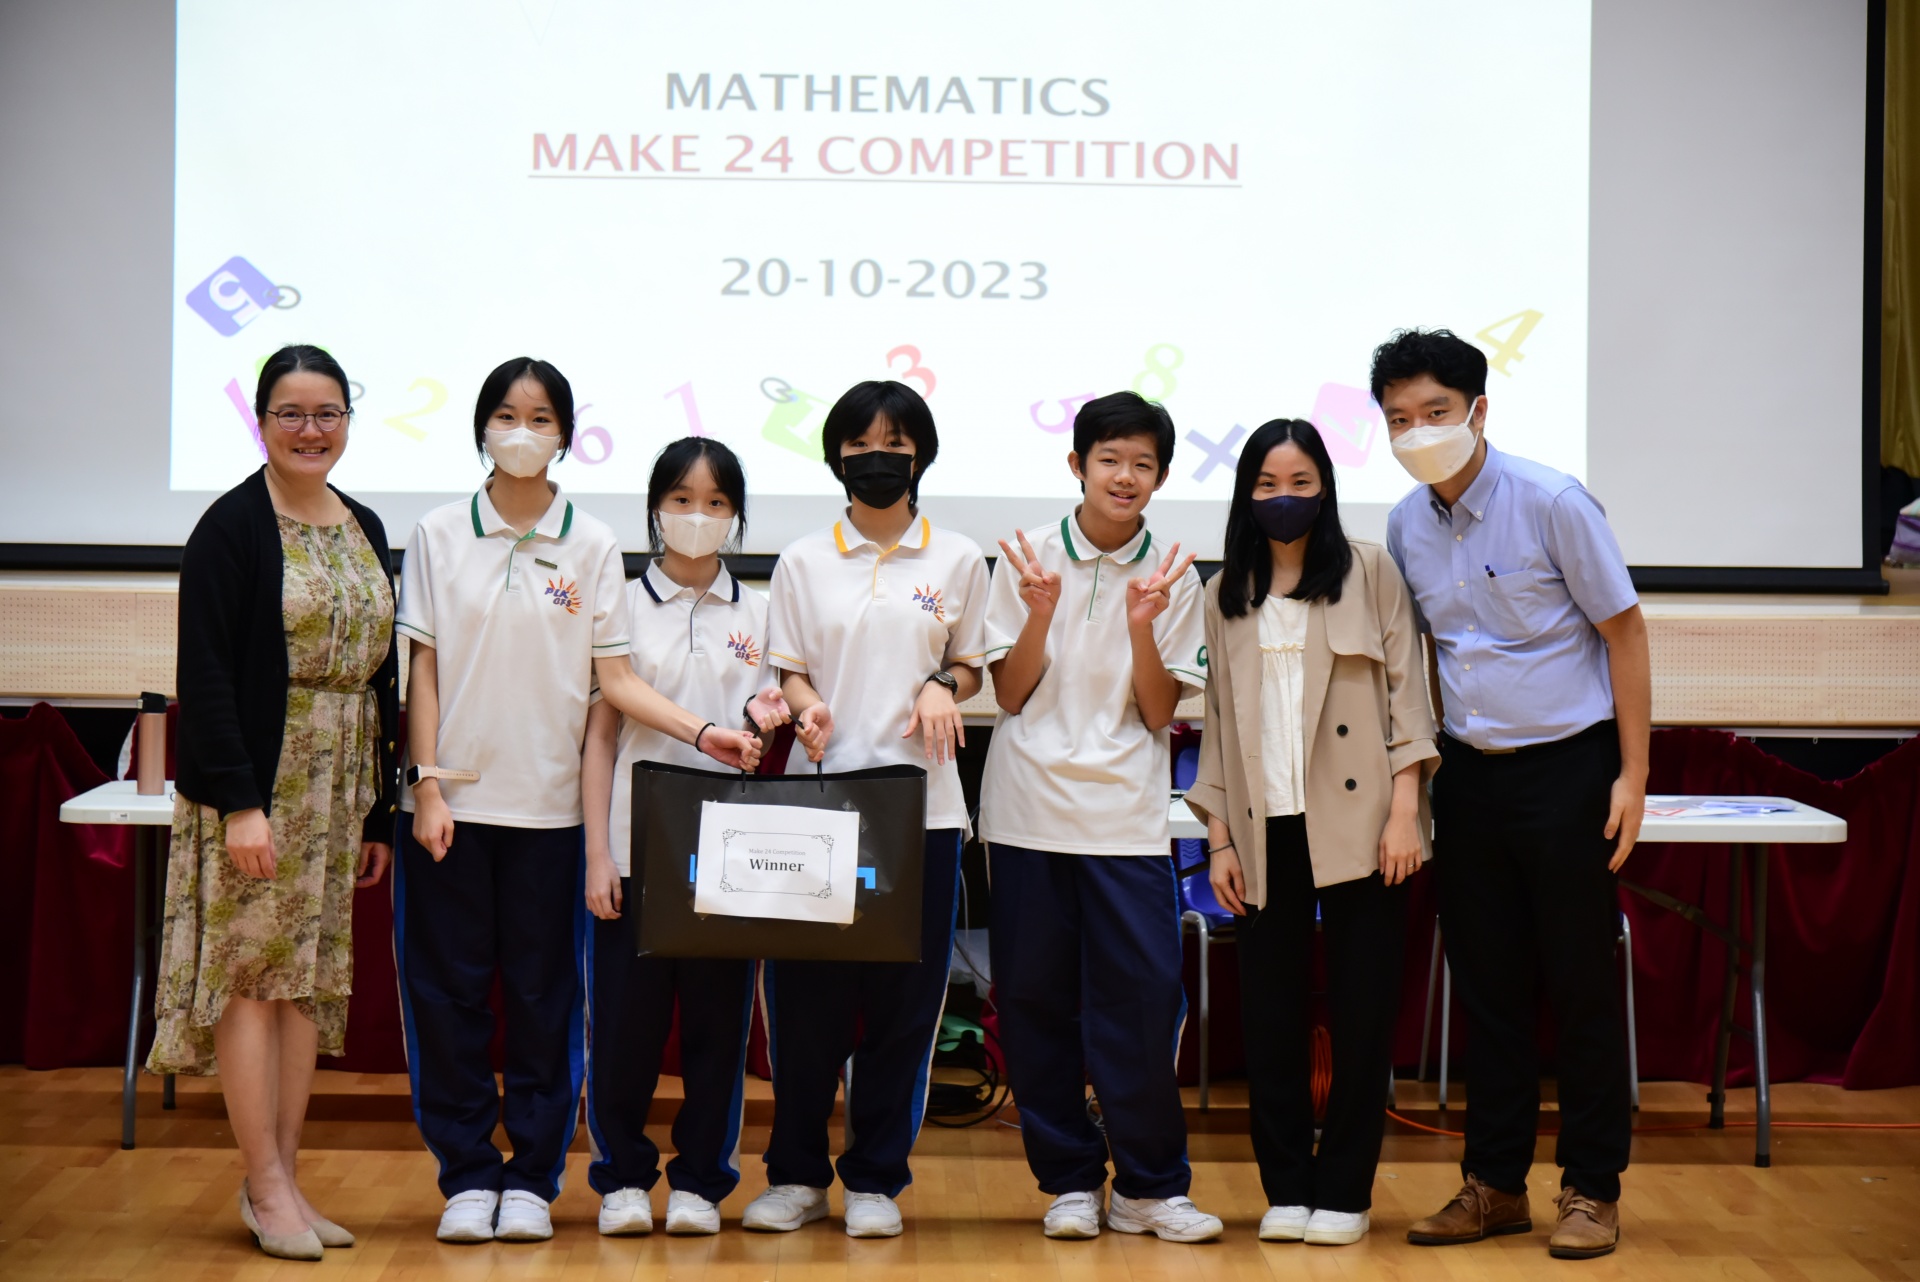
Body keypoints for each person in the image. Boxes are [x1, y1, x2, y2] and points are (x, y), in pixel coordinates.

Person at [394, 358, 762, 1245]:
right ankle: (465, 1177)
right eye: (507, 415)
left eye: (541, 418)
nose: (522, 432)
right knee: (447, 1002)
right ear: (481, 427)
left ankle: (531, 1178)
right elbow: (423, 669)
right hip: (452, 811)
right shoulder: (437, 533)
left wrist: (703, 733)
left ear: (566, 434)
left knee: (544, 1004)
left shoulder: (592, 544)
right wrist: (428, 783)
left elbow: (616, 684)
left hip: (555, 815)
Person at [1374, 329, 1649, 1260]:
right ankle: (1494, 1185)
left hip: (1569, 768)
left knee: (1579, 984)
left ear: (1479, 411)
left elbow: (1625, 633)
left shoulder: (1552, 502)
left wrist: (1633, 774)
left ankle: (1592, 1188)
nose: (1418, 432)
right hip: (1469, 774)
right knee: (1486, 988)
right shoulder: (1405, 524)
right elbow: (1427, 654)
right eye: (1399, 419)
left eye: (1436, 412)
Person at [151, 344, 398, 1260]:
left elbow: (381, 682)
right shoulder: (230, 526)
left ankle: (285, 1182)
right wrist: (240, 804)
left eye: (327, 412)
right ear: (261, 423)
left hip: (337, 792)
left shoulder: (364, 522)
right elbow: (207, 676)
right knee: (253, 986)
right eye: (290, 413)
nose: (310, 430)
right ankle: (262, 1181)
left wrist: (376, 813)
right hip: (260, 791)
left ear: (347, 422)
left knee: (304, 991)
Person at [746, 379, 991, 1239]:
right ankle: (796, 1176)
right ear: (835, 457)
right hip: (823, 809)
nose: (876, 457)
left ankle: (877, 1179)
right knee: (806, 1008)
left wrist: (941, 682)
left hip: (923, 813)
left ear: (921, 455)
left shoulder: (957, 558)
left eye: (894, 444)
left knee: (903, 1010)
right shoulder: (802, 560)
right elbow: (788, 669)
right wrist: (807, 705)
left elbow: (973, 666)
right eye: (859, 445)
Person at [1185, 418, 1438, 1246]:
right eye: (1267, 485)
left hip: (1364, 827)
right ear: (1245, 494)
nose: (1284, 498)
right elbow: (1217, 727)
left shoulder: (1370, 570)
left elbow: (1409, 698)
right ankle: (1287, 1186)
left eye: (1300, 483)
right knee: (1270, 1017)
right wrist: (1219, 840)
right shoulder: (1224, 591)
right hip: (1262, 830)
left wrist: (1405, 813)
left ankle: (1347, 1192)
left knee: (1365, 1013)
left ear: (1324, 488)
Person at [978, 390, 1222, 1243]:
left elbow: (1157, 713)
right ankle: (1071, 1182)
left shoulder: (1176, 574)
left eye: (1142, 464)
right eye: (1109, 459)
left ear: (1160, 477)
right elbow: (1009, 695)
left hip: (1125, 816)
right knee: (1035, 1003)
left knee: (1143, 1002)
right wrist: (1040, 613)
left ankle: (1151, 1188)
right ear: (1077, 464)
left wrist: (1144, 627)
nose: (1125, 476)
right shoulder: (1026, 557)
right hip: (1027, 810)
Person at [579, 437, 788, 1237]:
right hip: (637, 850)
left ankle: (702, 1181)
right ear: (655, 508)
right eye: (680, 500)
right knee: (625, 1030)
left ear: (736, 515)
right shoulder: (621, 605)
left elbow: (764, 724)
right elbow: (601, 738)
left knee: (716, 1029)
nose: (697, 516)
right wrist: (598, 854)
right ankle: (622, 1181)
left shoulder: (760, 613)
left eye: (715, 503)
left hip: (728, 860)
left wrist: (767, 719)